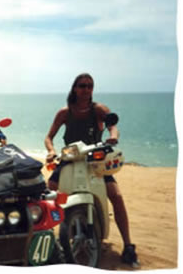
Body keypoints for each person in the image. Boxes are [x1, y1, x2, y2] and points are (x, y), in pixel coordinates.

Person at [44, 73, 139, 266]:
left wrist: (113, 136)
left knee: (115, 195)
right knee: (50, 190)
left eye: (89, 86)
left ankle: (128, 245)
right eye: (82, 86)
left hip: (95, 160)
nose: (86, 89)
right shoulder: (65, 112)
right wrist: (51, 151)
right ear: (74, 89)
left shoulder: (98, 110)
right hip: (70, 158)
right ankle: (50, 237)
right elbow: (49, 137)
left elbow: (113, 127)